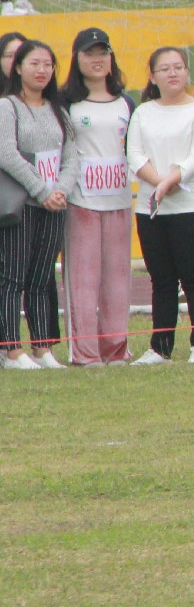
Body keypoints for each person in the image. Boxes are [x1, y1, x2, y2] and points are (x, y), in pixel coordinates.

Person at [127, 47, 194, 364]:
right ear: (153, 77)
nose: (173, 73)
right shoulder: (143, 112)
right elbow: (135, 155)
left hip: (191, 206)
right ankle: (160, 347)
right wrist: (159, 183)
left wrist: (170, 182)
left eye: (178, 67)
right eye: (165, 69)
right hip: (151, 208)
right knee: (162, 279)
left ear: (187, 72)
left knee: (193, 275)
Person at [58, 29, 136, 365]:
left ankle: (116, 349)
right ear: (76, 59)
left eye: (102, 52)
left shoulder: (126, 102)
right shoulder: (66, 103)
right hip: (81, 201)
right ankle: (85, 351)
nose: (97, 59)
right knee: (83, 280)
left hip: (119, 200)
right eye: (89, 53)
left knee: (117, 278)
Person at [0, 40, 66, 368]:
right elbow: (7, 153)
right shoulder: (8, 106)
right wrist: (41, 191)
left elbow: (72, 155)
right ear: (19, 67)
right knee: (12, 277)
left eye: (47, 64)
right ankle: (12, 349)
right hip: (22, 204)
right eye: (34, 63)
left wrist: (61, 190)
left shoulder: (58, 109)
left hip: (55, 205)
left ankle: (43, 348)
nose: (42, 70)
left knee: (41, 278)